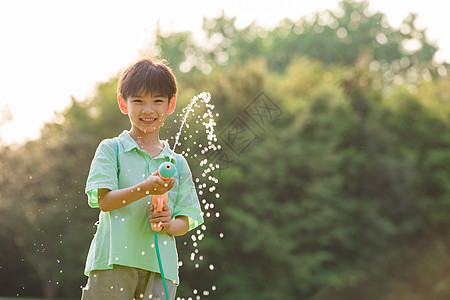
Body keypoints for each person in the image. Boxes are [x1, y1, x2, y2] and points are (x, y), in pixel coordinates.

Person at [81, 57, 204, 300]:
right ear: (123, 104)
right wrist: (146, 187)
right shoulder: (111, 149)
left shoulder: (177, 163)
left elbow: (186, 220)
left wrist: (168, 224)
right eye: (138, 101)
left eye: (158, 101)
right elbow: (104, 201)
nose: (148, 110)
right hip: (113, 263)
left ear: (170, 105)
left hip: (161, 269)